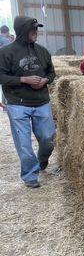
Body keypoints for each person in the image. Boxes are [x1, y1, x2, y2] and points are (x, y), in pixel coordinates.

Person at [0, 16, 56, 189]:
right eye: (33, 30)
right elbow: (1, 77)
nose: (36, 32)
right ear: (23, 31)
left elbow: (51, 73)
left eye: (37, 29)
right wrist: (24, 79)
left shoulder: (43, 51)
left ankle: (42, 160)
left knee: (48, 138)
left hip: (41, 101)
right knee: (23, 142)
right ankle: (30, 175)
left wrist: (45, 81)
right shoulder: (6, 52)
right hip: (18, 103)